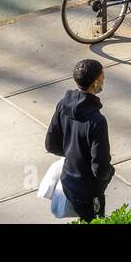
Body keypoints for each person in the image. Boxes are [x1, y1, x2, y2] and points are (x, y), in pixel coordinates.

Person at [45, 58, 114, 221]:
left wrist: (72, 154)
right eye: (103, 77)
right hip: (89, 192)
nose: (104, 79)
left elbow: (51, 144)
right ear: (95, 83)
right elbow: (100, 168)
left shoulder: (63, 104)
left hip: (68, 182)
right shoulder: (97, 121)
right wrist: (110, 172)